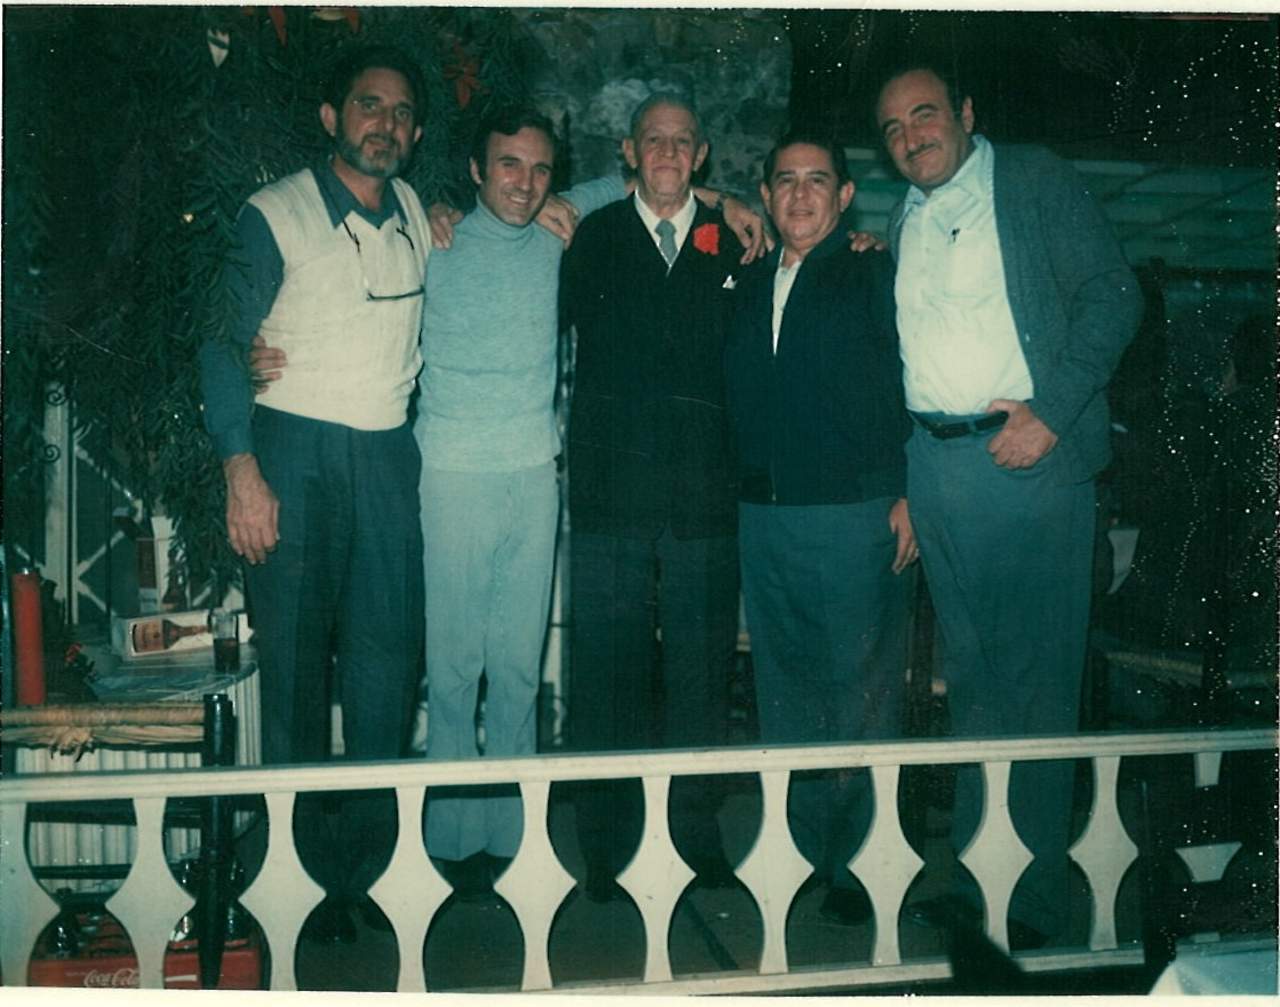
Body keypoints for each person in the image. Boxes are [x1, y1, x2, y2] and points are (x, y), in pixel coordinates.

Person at [874, 63, 1142, 947]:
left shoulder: (1031, 179)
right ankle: (977, 879)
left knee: (1037, 685)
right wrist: (908, 480)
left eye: (924, 115)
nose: (910, 136)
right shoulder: (905, 218)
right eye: (892, 128)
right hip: (936, 467)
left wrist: (1051, 413)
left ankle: (1034, 898)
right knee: (973, 684)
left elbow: (1114, 295)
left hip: (1026, 460)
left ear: (966, 112)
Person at [198, 45, 432, 941]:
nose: (386, 124)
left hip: (387, 455)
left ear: (415, 133)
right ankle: (293, 889)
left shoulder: (417, 212)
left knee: (385, 672)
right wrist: (242, 471)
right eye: (369, 106)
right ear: (332, 118)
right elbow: (222, 341)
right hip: (293, 451)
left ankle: (363, 880)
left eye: (402, 112)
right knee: (294, 676)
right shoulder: (276, 212)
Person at [411, 106, 628, 896]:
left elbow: (643, 179)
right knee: (453, 668)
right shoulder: (430, 237)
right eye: (509, 164)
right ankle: (449, 838)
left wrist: (730, 202)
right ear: (476, 169)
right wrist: (430, 209)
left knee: (516, 668)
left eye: (541, 169)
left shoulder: (553, 232)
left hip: (534, 474)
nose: (525, 182)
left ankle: (512, 836)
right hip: (453, 473)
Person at [560, 93, 758, 898]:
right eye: (654, 140)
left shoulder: (735, 239)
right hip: (610, 495)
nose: (669, 153)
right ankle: (606, 847)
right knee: (605, 674)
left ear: (701, 155)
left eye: (683, 141)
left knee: (701, 676)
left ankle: (693, 833)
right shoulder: (593, 236)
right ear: (629, 150)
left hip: (704, 496)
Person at [724, 132, 916, 925]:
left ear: (843, 197)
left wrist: (910, 492)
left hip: (853, 516)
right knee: (785, 694)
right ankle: (805, 853)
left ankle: (863, 867)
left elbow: (914, 378)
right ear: (765, 195)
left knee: (862, 697)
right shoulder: (744, 279)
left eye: (817, 180)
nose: (800, 194)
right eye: (785, 180)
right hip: (764, 518)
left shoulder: (874, 271)